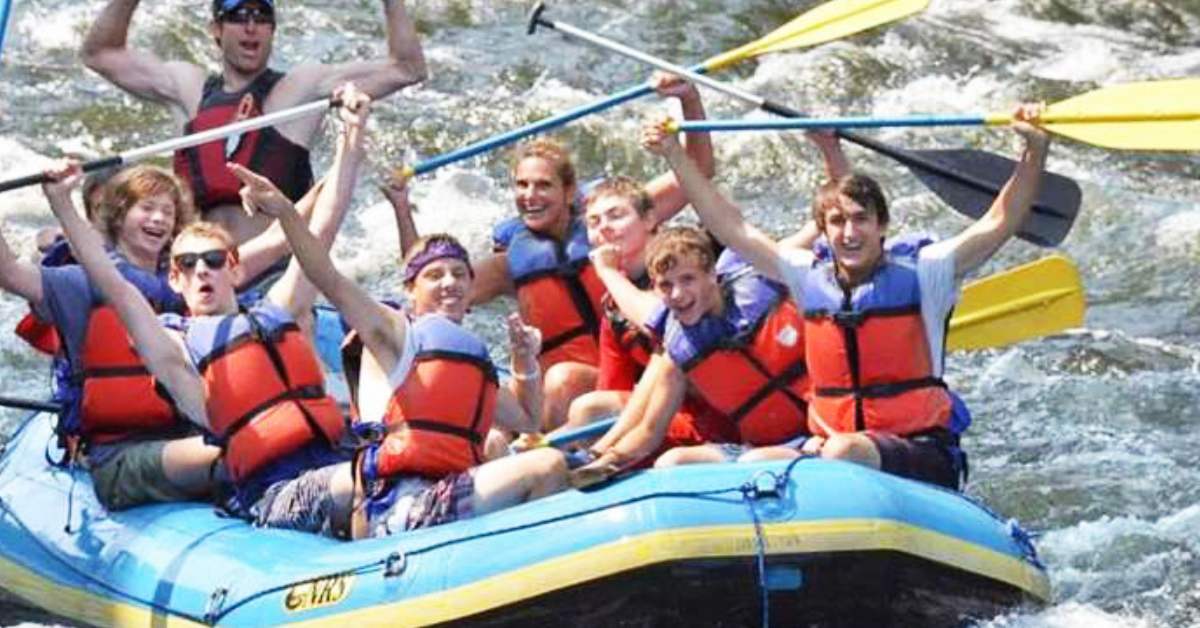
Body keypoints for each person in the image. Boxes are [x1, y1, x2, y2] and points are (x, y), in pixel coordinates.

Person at [634, 105, 1051, 489]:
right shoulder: (805, 276)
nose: (849, 233)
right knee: (719, 463)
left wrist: (1034, 148)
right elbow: (731, 228)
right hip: (827, 443)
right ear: (824, 229)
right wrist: (674, 154)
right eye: (837, 222)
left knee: (842, 451)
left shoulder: (929, 272)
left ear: (881, 225)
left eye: (860, 220)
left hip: (921, 448)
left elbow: (1000, 221)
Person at [37, 85, 371, 520]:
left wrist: (352, 135)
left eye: (213, 260)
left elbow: (323, 229)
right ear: (173, 279)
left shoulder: (272, 312)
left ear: (234, 268)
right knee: (375, 480)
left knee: (415, 459)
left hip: (333, 462)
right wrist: (61, 202)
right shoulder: (174, 348)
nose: (201, 271)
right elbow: (110, 282)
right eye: (187, 264)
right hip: (281, 495)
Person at [246, 175, 568, 536]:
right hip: (397, 506)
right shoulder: (396, 335)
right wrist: (287, 214)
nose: (450, 283)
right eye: (434, 275)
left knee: (502, 446)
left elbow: (527, 419)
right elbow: (327, 277)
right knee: (547, 466)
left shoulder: (468, 355)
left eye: (459, 274)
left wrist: (524, 363)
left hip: (441, 494)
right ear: (410, 289)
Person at [466, 72, 716, 430]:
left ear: (569, 192)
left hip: (632, 373)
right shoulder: (510, 262)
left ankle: (548, 459)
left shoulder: (615, 221)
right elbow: (438, 287)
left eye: (543, 186)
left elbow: (699, 170)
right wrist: (401, 206)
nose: (530, 196)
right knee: (508, 401)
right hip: (579, 384)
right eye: (521, 185)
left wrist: (688, 102)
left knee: (561, 379)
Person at [81, 0, 427, 243]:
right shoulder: (188, 88)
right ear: (216, 29)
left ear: (272, 31)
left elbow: (407, 68)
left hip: (272, 271)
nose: (251, 27)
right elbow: (99, 54)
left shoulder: (301, 88)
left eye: (262, 17)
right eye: (238, 15)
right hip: (198, 270)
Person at [0, 162, 218, 511]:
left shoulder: (196, 279)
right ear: (118, 216)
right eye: (147, 208)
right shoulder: (79, 282)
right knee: (240, 450)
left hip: (188, 434)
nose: (159, 219)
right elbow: (9, 273)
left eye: (167, 211)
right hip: (120, 449)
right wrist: (60, 200)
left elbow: (277, 247)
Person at [571, 227, 812, 486]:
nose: (677, 294)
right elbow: (649, 431)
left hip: (815, 436)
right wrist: (603, 464)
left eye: (687, 279)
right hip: (754, 448)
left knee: (756, 461)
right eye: (665, 285)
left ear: (711, 274)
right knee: (671, 462)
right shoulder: (679, 349)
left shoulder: (767, 290)